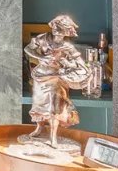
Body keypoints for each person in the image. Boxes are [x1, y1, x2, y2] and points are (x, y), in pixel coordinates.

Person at [25, 13, 94, 143]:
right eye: (55, 26)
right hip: (41, 76)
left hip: (57, 78)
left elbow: (79, 63)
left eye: (59, 27)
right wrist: (41, 57)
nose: (56, 29)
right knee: (38, 105)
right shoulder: (43, 38)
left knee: (54, 107)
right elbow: (28, 49)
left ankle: (53, 136)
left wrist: (67, 63)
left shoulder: (68, 46)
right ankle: (39, 128)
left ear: (66, 30)